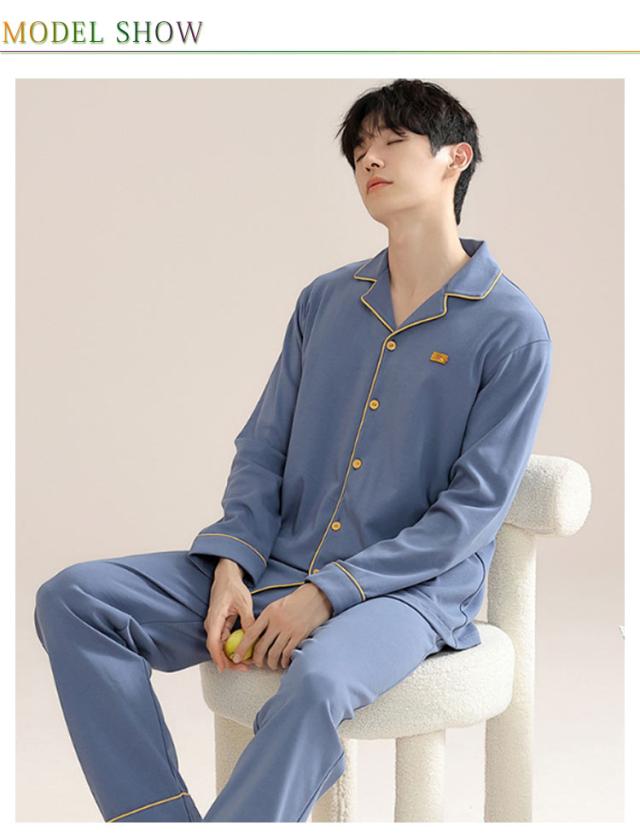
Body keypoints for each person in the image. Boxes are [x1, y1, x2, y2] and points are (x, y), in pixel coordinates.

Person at [33, 78, 552, 822]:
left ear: (455, 158)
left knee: (318, 683)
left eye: (392, 141)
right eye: (359, 149)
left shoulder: (512, 328)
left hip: (406, 595)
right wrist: (233, 564)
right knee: (75, 599)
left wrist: (329, 593)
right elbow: (264, 447)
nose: (370, 159)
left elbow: (470, 512)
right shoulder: (326, 302)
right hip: (277, 562)